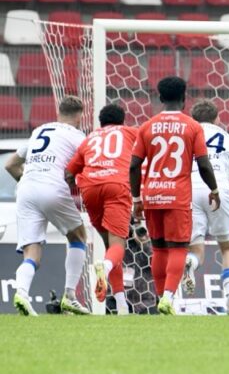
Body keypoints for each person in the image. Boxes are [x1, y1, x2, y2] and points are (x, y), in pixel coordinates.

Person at [129, 77, 221, 316]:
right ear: (184, 98)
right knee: (178, 248)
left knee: (158, 249)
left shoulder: (146, 127)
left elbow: (134, 165)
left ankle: (161, 299)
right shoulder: (192, 127)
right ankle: (169, 298)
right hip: (177, 197)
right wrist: (214, 189)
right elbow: (203, 164)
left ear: (160, 98)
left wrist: (137, 198)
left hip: (152, 195)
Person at [6, 96, 89, 316]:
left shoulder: (39, 131)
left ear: (58, 112)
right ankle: (70, 296)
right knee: (78, 237)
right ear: (80, 116)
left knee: (32, 251)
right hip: (52, 186)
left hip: (25, 189)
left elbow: (10, 164)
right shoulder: (78, 136)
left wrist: (30, 184)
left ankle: (22, 292)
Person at [66, 103, 138, 316]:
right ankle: (103, 269)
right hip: (116, 185)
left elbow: (69, 174)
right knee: (118, 246)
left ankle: (121, 305)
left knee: (110, 247)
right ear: (122, 120)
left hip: (90, 188)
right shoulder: (129, 131)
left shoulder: (90, 139)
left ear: (101, 122)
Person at [181, 99, 229, 315]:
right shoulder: (226, 137)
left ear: (192, 119)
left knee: (196, 249)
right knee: (227, 248)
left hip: (189, 191)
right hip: (217, 190)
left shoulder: (186, 135)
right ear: (217, 119)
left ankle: (190, 262)